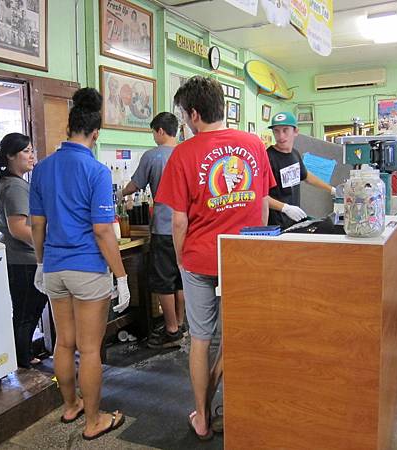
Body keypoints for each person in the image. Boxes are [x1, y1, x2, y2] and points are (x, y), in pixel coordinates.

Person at [155, 76, 275, 440]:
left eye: (185, 114)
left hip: (200, 258)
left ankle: (202, 419)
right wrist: (254, 245)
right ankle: (243, 412)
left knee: (201, 339)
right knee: (237, 335)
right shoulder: (254, 144)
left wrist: (180, 259)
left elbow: (179, 219)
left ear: (194, 113)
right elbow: (263, 204)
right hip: (242, 257)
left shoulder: (184, 154)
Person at [29, 88, 130, 441]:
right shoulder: (97, 171)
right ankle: (93, 421)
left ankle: (70, 406)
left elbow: (37, 224)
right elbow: (103, 231)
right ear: (95, 133)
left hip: (54, 268)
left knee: (63, 343)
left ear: (69, 127)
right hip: (87, 269)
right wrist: (121, 276)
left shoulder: (41, 169)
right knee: (89, 348)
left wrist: (42, 262)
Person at [118, 112, 186, 349]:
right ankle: (180, 322)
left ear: (159, 131)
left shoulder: (152, 156)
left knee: (163, 280)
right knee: (180, 279)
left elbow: (136, 184)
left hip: (164, 227)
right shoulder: (187, 153)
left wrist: (119, 194)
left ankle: (171, 330)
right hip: (187, 228)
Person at [0, 133, 48, 369]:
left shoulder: (13, 183)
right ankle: (22, 362)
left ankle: (23, 357)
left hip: (21, 259)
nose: (32, 155)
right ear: (10, 157)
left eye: (32, 150)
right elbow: (18, 228)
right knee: (26, 313)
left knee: (28, 311)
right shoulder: (14, 186)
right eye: (26, 151)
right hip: (23, 261)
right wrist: (46, 244)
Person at [266, 111, 336, 229]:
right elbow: (260, 196)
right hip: (276, 226)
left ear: (296, 131)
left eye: (285, 130)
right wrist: (285, 208)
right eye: (276, 131)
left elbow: (306, 176)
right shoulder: (268, 158)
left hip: (294, 222)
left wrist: (332, 190)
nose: (281, 136)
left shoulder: (295, 154)